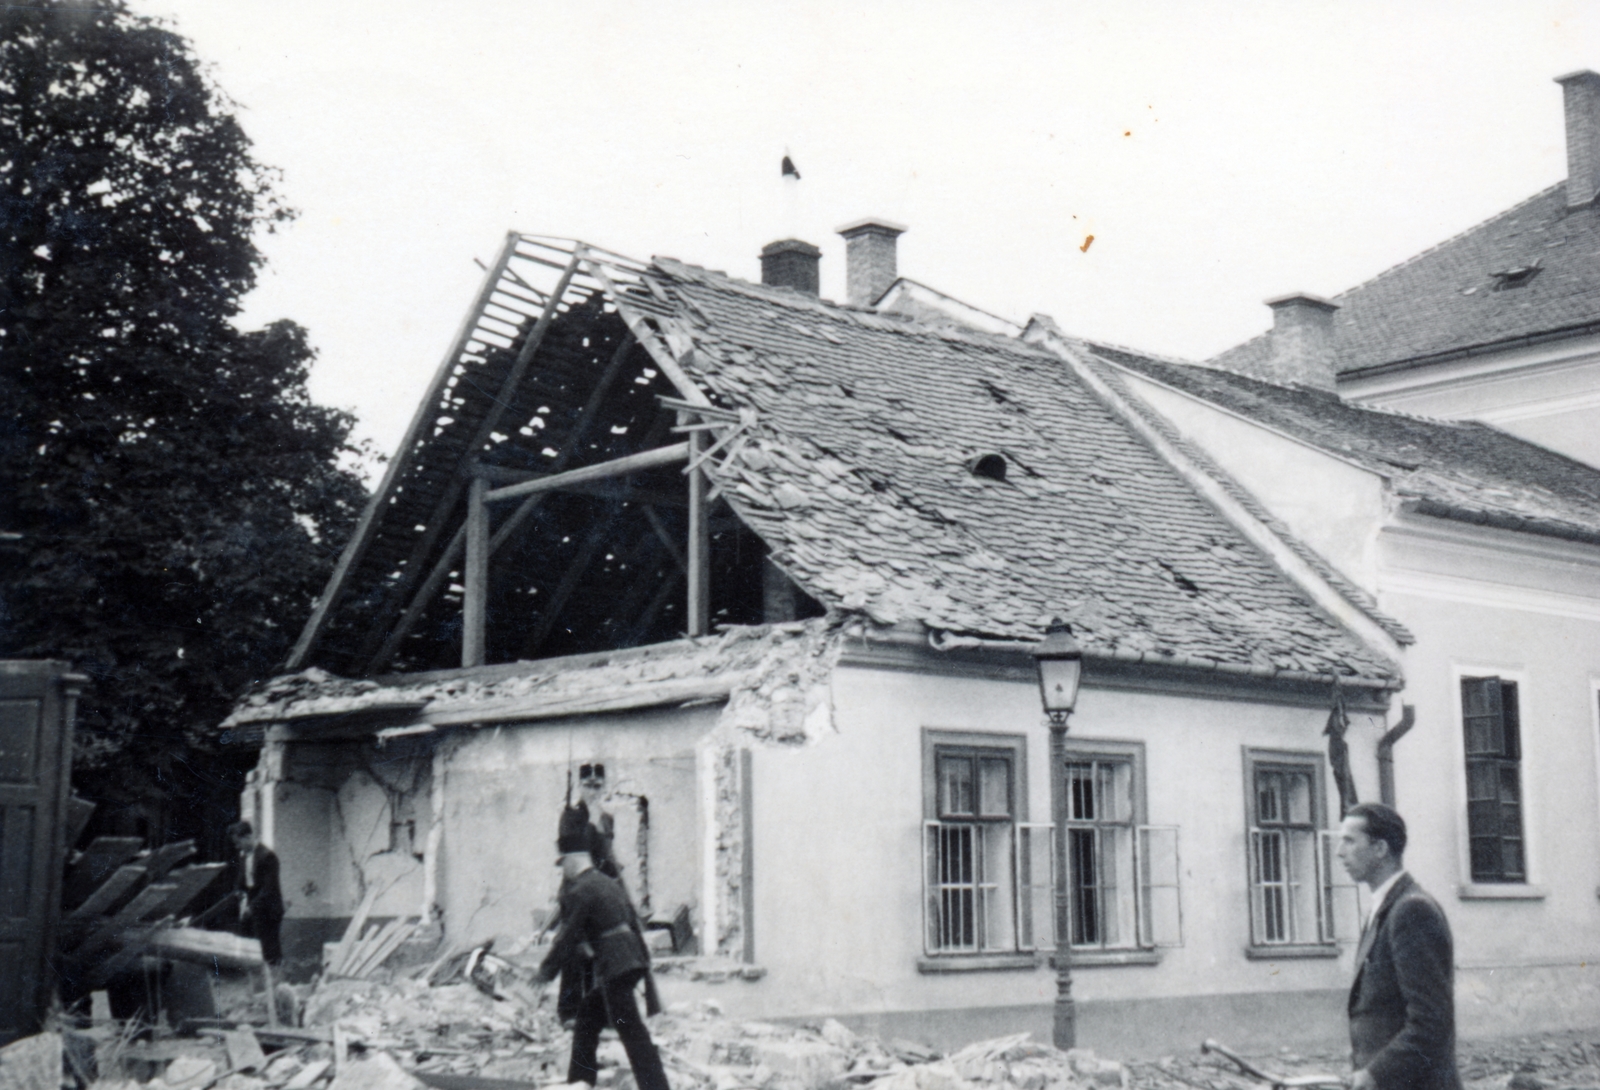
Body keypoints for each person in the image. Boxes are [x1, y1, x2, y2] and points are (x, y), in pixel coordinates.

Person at [538, 807, 669, 1090]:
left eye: (563, 863)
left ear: (573, 860)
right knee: (587, 1016)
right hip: (629, 962)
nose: (563, 870)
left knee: (631, 1030)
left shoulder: (580, 889)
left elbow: (567, 936)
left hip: (615, 967)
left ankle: (656, 1087)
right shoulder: (608, 884)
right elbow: (631, 924)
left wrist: (544, 973)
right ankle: (580, 1082)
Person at [1337, 802, 1461, 1090]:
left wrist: (1374, 1074)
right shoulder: (1385, 908)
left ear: (1380, 849)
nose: (1339, 852)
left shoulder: (1411, 911)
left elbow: (1431, 1021)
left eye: (1349, 841)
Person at [229, 821, 284, 968]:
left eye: (238, 842)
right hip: (254, 907)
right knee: (250, 947)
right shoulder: (244, 857)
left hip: (269, 909)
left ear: (248, 837)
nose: (237, 847)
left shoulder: (268, 857)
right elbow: (242, 881)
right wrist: (238, 891)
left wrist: (251, 907)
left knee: (269, 951)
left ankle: (274, 981)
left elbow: (269, 889)